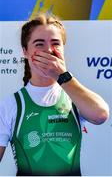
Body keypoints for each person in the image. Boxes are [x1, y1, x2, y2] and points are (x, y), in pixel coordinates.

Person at [0, 13, 109, 176]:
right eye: (39, 44)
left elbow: (100, 115)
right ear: (25, 51)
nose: (49, 50)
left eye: (55, 43)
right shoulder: (11, 104)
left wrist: (62, 76)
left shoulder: (74, 95)